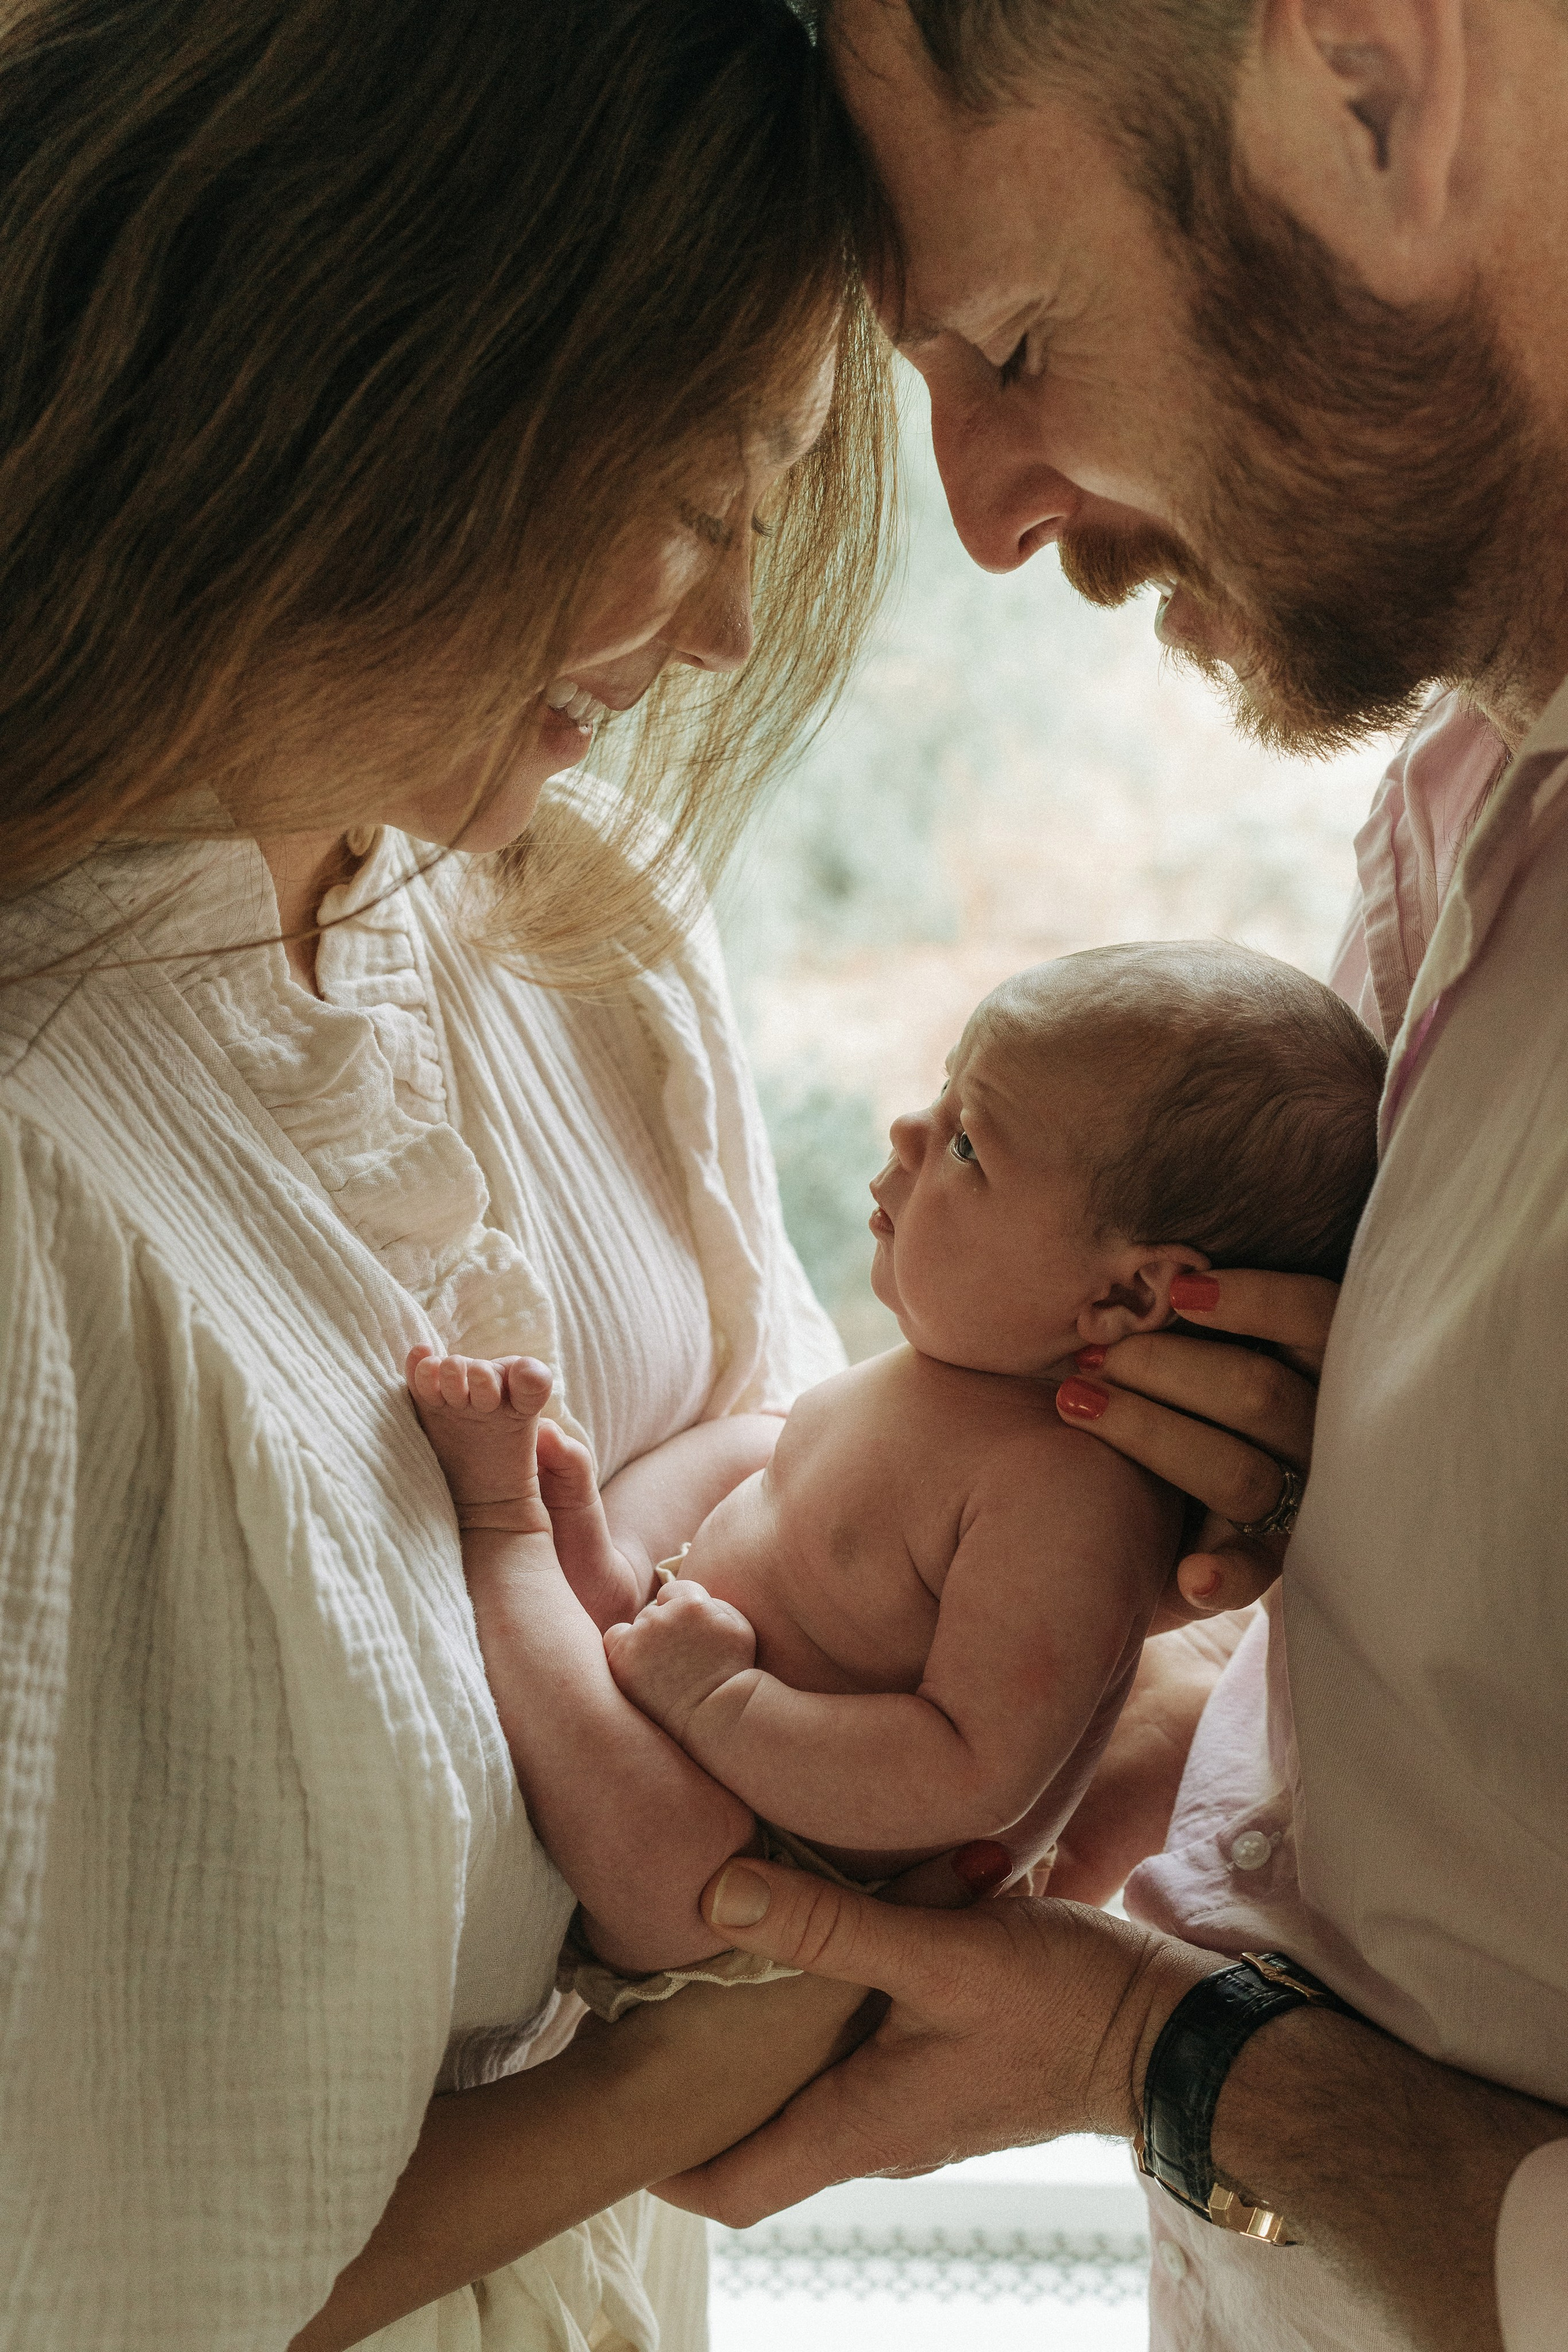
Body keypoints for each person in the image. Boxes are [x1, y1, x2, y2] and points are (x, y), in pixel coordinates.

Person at [648, 6, 1568, 2351]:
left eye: (1022, 342)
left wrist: (1155, 2056)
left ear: (1376, 88)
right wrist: (1185, 1678)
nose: (976, 515)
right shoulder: (1469, 814)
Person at [0, 2, 913, 2346]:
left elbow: (794, 1559)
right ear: (359, 364)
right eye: (701, 497)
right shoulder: (40, 1155)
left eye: (769, 515)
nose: (725, 628)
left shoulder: (583, 937)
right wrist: (735, 2028)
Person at [405, 941, 1381, 1993]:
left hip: (770, 1872)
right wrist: (643, 1552)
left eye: (968, 1143)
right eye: (943, 1092)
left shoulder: (1068, 1493)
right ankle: (599, 1573)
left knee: (667, 1847)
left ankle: (506, 1536)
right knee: (757, 1444)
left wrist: (720, 1706)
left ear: (1129, 1299)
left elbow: (971, 1769)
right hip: (692, 1668)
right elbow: (778, 1489)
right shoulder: (960, 1370)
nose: (911, 1131)